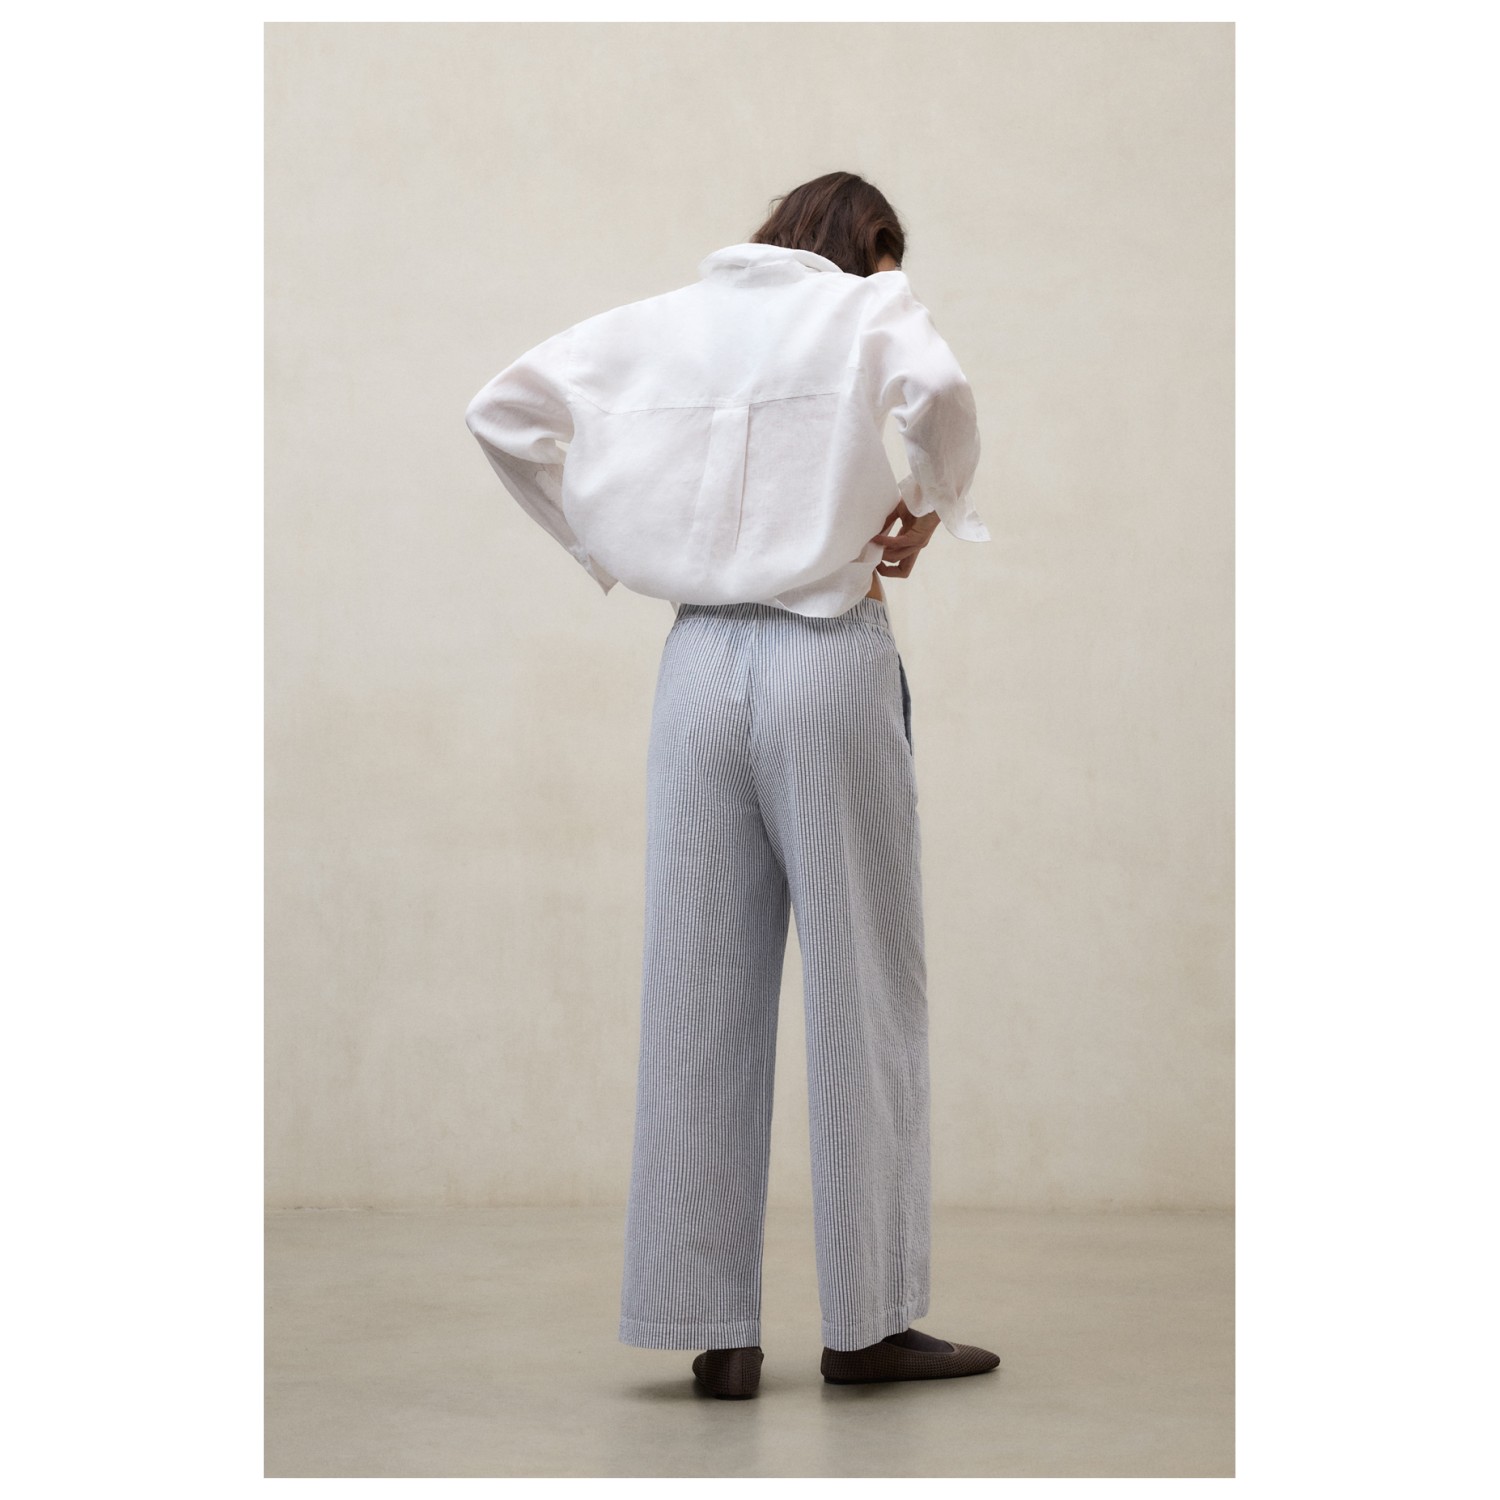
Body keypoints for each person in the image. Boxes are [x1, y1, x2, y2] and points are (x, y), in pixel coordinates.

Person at [464, 171, 1000, 1400]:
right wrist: (930, 501)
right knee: (864, 984)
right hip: (825, 650)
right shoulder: (867, 306)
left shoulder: (665, 320)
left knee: (697, 982)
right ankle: (867, 1325)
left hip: (698, 664)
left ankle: (715, 1333)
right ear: (869, 247)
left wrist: (603, 541)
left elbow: (501, 412)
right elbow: (943, 394)